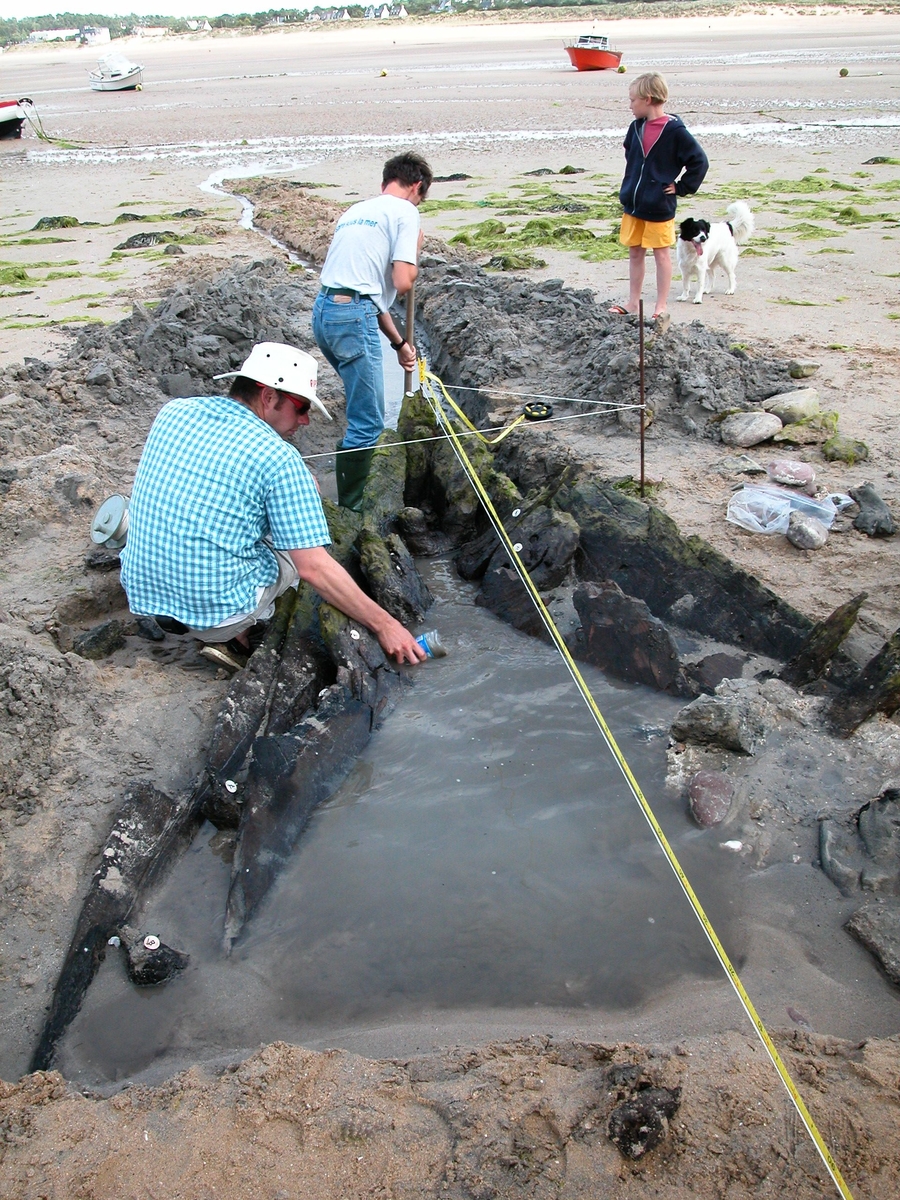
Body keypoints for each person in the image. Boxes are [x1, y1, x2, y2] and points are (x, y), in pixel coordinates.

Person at [120, 342, 425, 671]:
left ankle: (208, 619)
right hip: (216, 615)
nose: (305, 420)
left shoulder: (175, 411)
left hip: (145, 596)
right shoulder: (279, 458)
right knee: (298, 555)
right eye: (301, 407)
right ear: (268, 396)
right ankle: (241, 630)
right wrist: (385, 625)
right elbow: (314, 568)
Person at [312, 151, 432, 511]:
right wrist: (414, 251)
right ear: (417, 187)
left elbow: (370, 295)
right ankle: (355, 510)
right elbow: (402, 281)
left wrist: (400, 344)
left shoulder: (358, 211)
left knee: (361, 410)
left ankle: (349, 496)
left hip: (325, 312)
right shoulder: (406, 211)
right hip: (352, 316)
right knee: (369, 423)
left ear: (384, 184)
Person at [609, 72, 709, 323]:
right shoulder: (635, 127)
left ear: (648, 99)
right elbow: (631, 157)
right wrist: (631, 185)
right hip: (634, 204)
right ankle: (633, 302)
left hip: (659, 206)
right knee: (635, 252)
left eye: (633, 100)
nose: (630, 105)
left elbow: (699, 162)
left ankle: (661, 305)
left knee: (661, 255)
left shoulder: (675, 132)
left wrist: (681, 186)